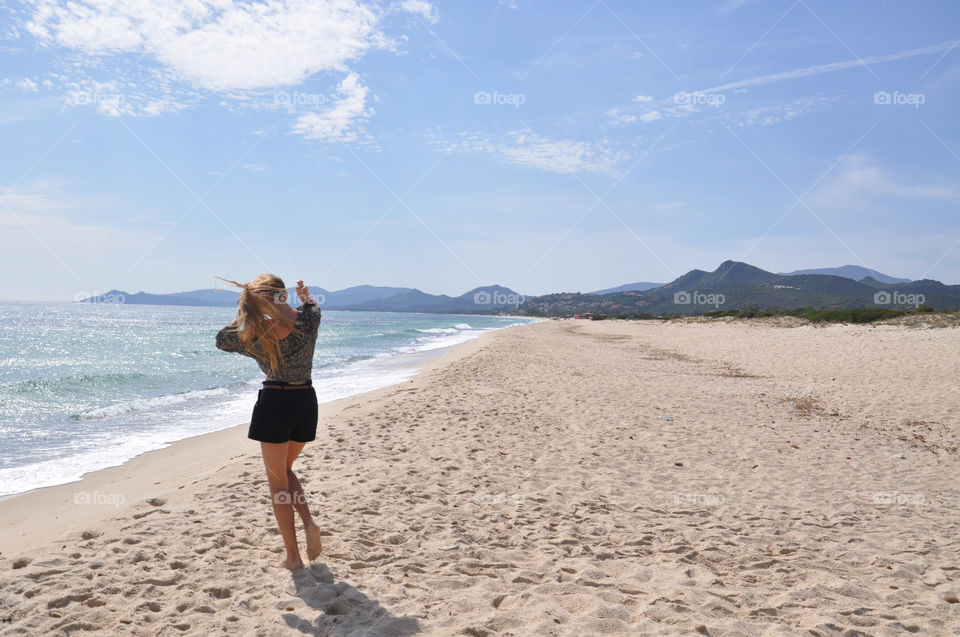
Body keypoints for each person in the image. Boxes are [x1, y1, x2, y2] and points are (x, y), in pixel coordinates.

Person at [214, 274, 323, 570]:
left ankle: (293, 557)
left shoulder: (255, 335)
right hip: (305, 401)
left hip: (275, 403)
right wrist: (302, 298)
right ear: (282, 295)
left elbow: (221, 340)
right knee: (285, 470)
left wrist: (246, 312)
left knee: (277, 483)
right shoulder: (309, 321)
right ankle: (309, 523)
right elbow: (311, 306)